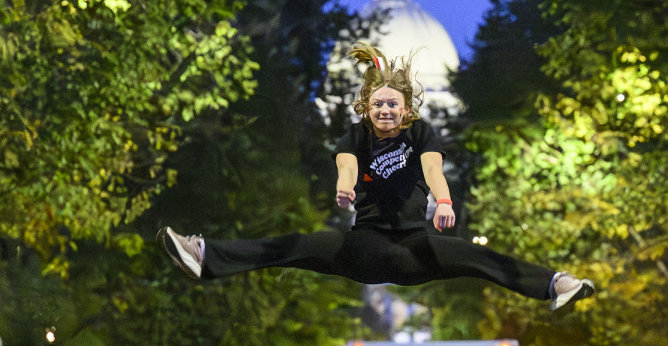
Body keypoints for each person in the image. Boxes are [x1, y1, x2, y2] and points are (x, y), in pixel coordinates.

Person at [158, 43, 594, 310]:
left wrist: (443, 202)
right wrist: (344, 188)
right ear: (366, 106)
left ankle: (556, 284)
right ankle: (204, 257)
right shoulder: (355, 135)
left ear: (406, 109)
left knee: (476, 258)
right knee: (296, 245)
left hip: (415, 250)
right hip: (365, 248)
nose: (385, 110)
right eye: (378, 104)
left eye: (393, 104)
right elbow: (346, 165)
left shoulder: (422, 133)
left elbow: (432, 169)